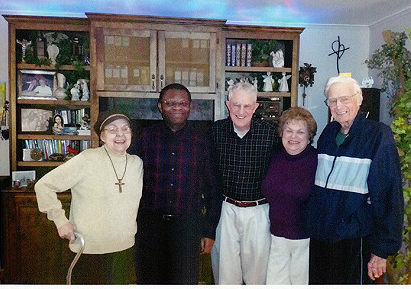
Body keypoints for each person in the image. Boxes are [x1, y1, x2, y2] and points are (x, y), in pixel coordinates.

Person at [305, 75, 403, 284]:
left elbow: (389, 194)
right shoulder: (329, 133)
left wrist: (381, 250)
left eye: (345, 99)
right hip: (323, 236)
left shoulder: (377, 135)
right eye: (332, 101)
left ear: (359, 99)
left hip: (355, 239)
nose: (338, 106)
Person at [35, 111, 143, 284]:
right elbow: (44, 185)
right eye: (112, 129)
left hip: (124, 248)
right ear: (102, 136)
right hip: (88, 249)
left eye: (125, 129)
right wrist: (60, 221)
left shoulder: (137, 163)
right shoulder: (87, 159)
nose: (120, 134)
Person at [134, 83, 221, 284]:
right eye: (170, 103)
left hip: (188, 227)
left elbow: (213, 189)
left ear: (190, 106)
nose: (177, 107)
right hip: (149, 227)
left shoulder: (202, 140)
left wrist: (209, 231)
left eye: (182, 103)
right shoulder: (144, 137)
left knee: (185, 281)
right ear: (160, 106)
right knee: (149, 281)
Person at [210, 80, 280, 284]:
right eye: (236, 105)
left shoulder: (270, 133)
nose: (241, 111)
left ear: (255, 106)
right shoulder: (216, 131)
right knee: (225, 273)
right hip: (225, 210)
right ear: (228, 105)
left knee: (258, 274)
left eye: (247, 106)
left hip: (259, 211)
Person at [262, 107, 317, 284]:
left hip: (305, 241)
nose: (294, 137)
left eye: (300, 132)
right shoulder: (273, 156)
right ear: (282, 133)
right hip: (275, 238)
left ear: (309, 136)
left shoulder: (317, 160)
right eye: (289, 131)